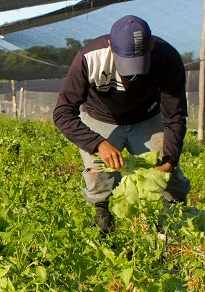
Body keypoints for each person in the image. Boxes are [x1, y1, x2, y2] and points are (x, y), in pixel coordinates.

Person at [53, 15, 191, 233]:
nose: (133, 71)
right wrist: (97, 144)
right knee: (98, 174)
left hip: (146, 117)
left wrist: (170, 159)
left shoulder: (167, 58)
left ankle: (174, 229)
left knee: (168, 174)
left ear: (152, 45)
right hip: (101, 117)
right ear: (110, 44)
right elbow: (62, 113)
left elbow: (175, 115)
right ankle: (104, 226)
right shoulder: (89, 58)